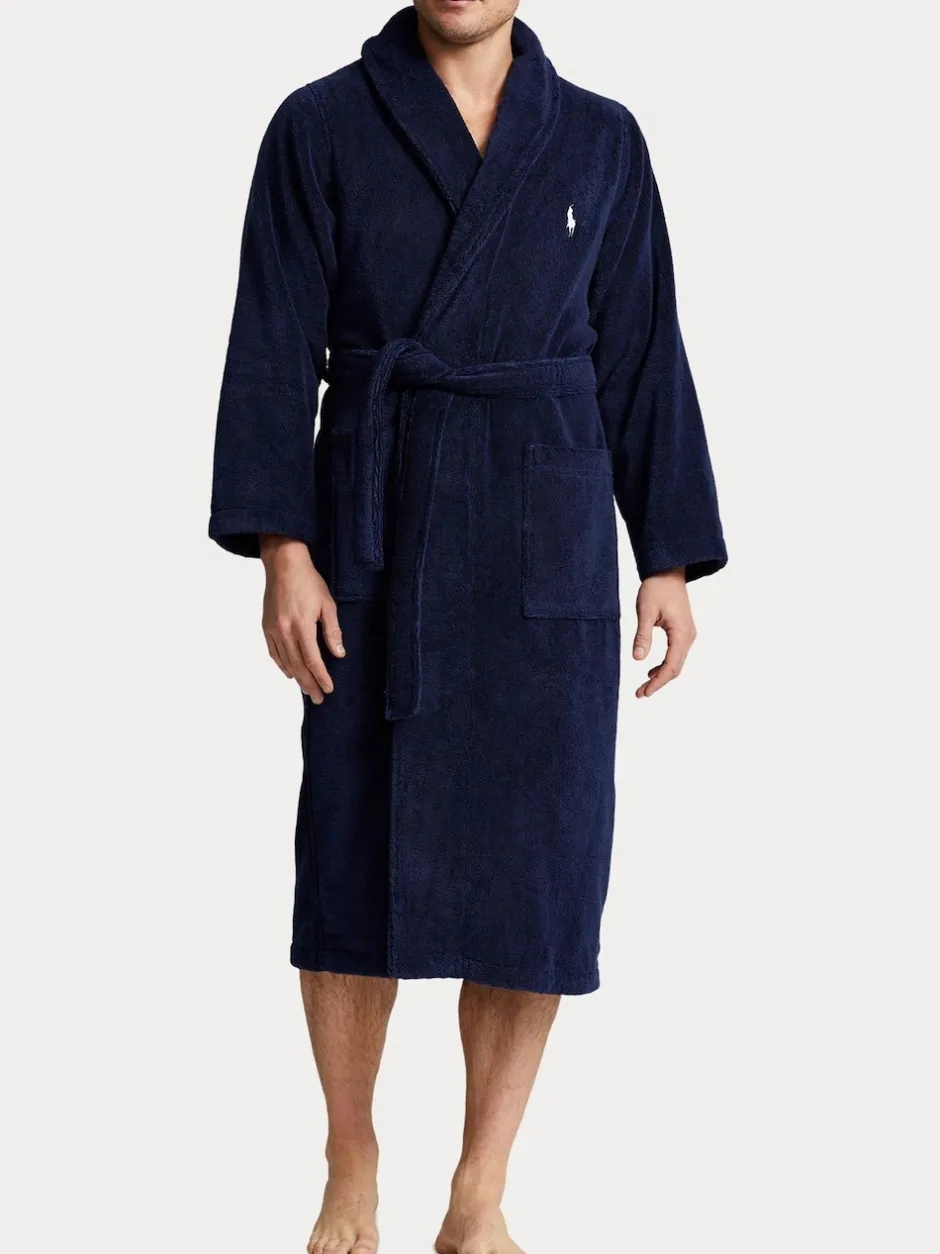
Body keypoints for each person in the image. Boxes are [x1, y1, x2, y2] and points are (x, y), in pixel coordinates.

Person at [209, 2, 726, 1250]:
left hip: (544, 537)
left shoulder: (598, 138)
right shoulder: (319, 125)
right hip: (374, 535)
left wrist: (666, 555)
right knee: (350, 852)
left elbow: (642, 349)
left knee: (535, 872)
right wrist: (283, 548)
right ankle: (350, 1158)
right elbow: (271, 342)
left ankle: (479, 1192)